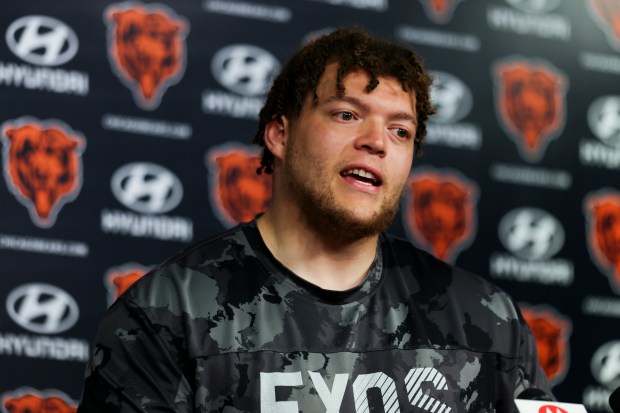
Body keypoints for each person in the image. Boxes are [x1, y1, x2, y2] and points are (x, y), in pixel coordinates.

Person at [78, 27, 551, 412]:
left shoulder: (486, 320)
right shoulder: (166, 315)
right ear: (280, 135)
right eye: (347, 115)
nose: (377, 141)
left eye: (400, 130)